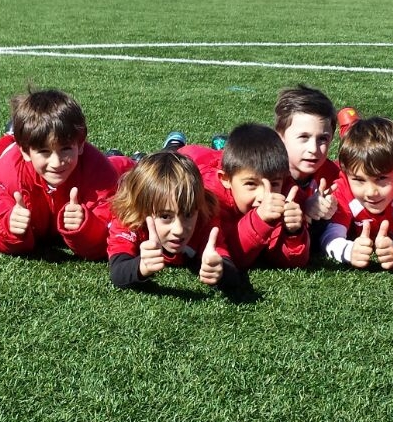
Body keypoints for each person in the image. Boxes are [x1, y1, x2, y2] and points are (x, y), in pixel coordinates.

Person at [0, 88, 124, 260]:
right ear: (25, 150)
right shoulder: (3, 175)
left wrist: (86, 225)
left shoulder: (100, 172)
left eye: (66, 149)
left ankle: (133, 160)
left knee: (125, 170)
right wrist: (8, 227)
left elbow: (113, 237)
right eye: (44, 152)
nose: (56, 163)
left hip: (117, 168)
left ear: (81, 142)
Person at [105, 151, 244, 294]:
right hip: (121, 174)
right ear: (142, 211)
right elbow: (117, 272)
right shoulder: (129, 219)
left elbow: (229, 271)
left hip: (200, 159)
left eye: (188, 214)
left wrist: (220, 270)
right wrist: (141, 266)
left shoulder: (205, 217)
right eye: (165, 216)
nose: (179, 229)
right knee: (117, 166)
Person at [181, 124, 308, 269]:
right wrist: (260, 220)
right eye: (251, 184)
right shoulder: (210, 199)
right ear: (225, 179)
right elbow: (228, 255)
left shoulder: (286, 192)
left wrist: (294, 233)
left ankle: (223, 146)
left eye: (274, 183)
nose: (263, 195)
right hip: (195, 158)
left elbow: (293, 262)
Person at [320, 115, 393, 270]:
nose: (371, 192)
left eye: (381, 178)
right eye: (359, 180)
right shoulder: (342, 188)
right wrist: (349, 251)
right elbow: (331, 236)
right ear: (346, 173)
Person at [274, 84, 341, 251]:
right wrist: (305, 210)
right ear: (280, 136)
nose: (313, 148)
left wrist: (333, 211)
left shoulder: (332, 175)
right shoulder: (268, 175)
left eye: (323, 139)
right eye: (304, 137)